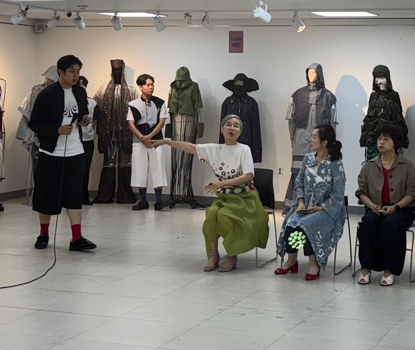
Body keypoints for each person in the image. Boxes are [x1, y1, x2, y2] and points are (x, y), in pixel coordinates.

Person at [153, 114, 268, 271]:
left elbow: (248, 176)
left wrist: (222, 183)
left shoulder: (244, 149)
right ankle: (214, 254)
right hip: (226, 197)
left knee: (225, 216)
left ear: (240, 132)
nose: (232, 128)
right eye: (228, 124)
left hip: (245, 198)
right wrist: (166, 142)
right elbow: (190, 147)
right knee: (211, 214)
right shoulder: (215, 149)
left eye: (236, 126)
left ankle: (232, 255)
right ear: (221, 129)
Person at [29, 55, 96, 252]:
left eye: (78, 72)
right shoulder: (47, 94)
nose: (76, 76)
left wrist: (83, 120)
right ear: (60, 72)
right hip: (51, 153)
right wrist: (56, 130)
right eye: (71, 72)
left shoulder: (80, 92)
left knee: (75, 194)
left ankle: (77, 238)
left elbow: (82, 114)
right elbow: (35, 123)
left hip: (76, 151)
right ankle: (43, 233)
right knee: (46, 195)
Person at [276, 124, 347, 280]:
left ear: (324, 143)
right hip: (305, 206)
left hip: (327, 210)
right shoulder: (308, 159)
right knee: (291, 222)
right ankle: (291, 260)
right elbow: (299, 183)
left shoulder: (335, 164)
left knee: (307, 224)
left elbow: (338, 194)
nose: (310, 139)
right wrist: (301, 202)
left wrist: (320, 208)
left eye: (314, 137)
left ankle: (313, 264)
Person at [355, 123, 415, 285]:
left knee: (391, 224)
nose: (381, 142)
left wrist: (396, 207)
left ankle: (389, 269)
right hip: (376, 208)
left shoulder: (408, 166)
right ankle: (366, 267)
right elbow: (361, 192)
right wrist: (371, 205)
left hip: (402, 209)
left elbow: (413, 193)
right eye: (379, 139)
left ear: (395, 143)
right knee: (368, 223)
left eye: (386, 139)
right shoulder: (369, 166)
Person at [128, 73, 169, 210]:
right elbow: (131, 124)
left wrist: (150, 136)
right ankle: (143, 201)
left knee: (158, 169)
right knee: (140, 170)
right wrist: (142, 138)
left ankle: (159, 201)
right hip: (138, 142)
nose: (151, 87)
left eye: (152, 84)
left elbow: (162, 122)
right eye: (148, 85)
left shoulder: (160, 103)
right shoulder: (132, 104)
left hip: (156, 141)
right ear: (140, 87)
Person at [77, 75, 96, 206]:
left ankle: (84, 196)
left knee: (85, 168)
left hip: (87, 140)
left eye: (83, 86)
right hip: (73, 140)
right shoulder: (70, 101)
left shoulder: (92, 102)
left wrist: (90, 130)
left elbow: (96, 119)